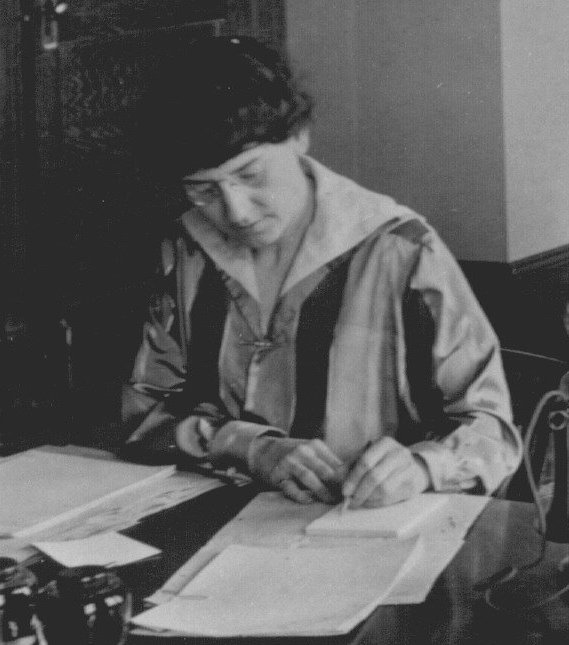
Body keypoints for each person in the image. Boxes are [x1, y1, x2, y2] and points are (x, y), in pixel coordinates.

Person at [122, 36, 519, 506]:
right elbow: (144, 418)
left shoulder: (400, 250)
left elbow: (491, 430)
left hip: (365, 527)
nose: (237, 211)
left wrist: (420, 466)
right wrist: (247, 446)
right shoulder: (186, 250)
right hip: (227, 519)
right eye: (203, 191)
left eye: (251, 175)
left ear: (299, 137)